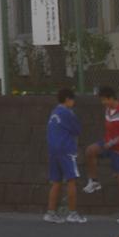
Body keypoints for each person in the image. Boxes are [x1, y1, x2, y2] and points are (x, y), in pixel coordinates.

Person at [83, 85, 119, 224]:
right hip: (107, 144)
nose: (103, 103)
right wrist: (108, 143)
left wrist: (112, 143)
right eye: (101, 100)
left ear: (112, 98)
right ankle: (94, 182)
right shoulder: (107, 110)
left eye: (105, 100)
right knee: (90, 151)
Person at [44, 87, 86, 224]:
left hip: (52, 149)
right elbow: (77, 130)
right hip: (66, 149)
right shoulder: (68, 113)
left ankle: (50, 213)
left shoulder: (54, 112)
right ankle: (72, 213)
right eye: (72, 100)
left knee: (56, 181)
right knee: (71, 180)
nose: (73, 103)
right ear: (68, 99)